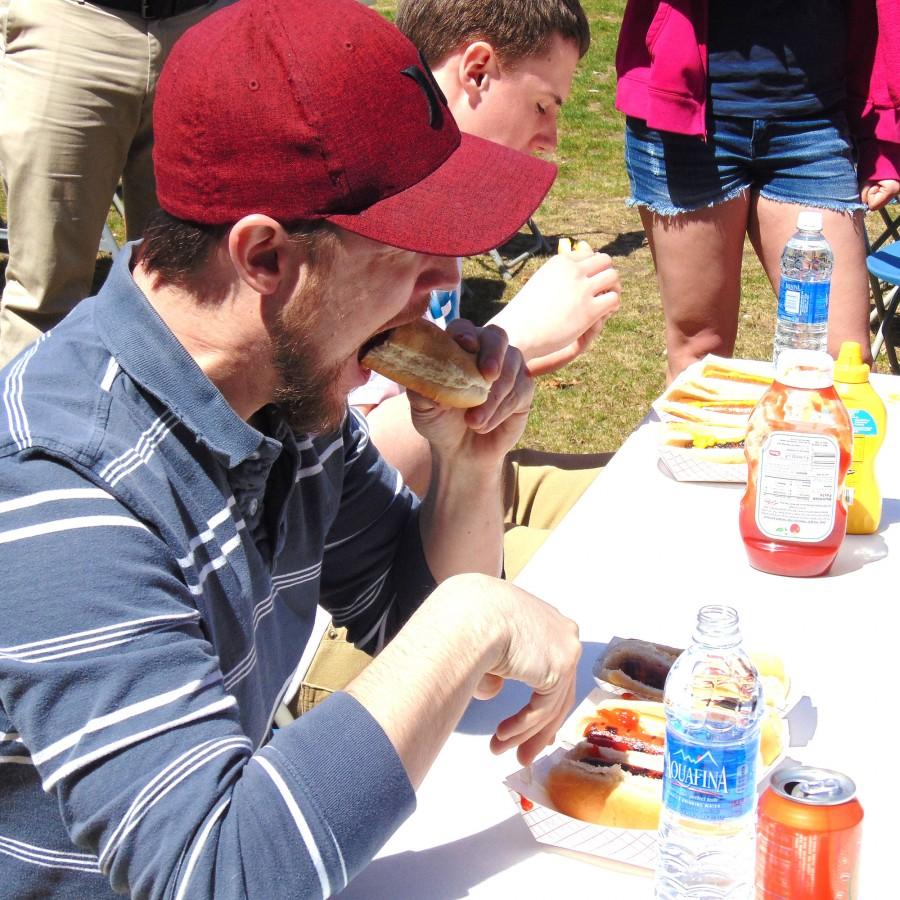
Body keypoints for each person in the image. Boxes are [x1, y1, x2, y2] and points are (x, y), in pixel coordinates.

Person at [0, 1, 584, 897]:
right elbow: (217, 873)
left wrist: (468, 465)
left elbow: (405, 622)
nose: (443, 285)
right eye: (412, 250)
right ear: (265, 257)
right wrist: (476, 615)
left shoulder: (281, 395)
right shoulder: (65, 481)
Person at [297, 0, 618, 713]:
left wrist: (469, 460)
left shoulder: (305, 417)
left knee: (631, 519)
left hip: (415, 514)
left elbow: (412, 608)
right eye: (544, 103)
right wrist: (522, 338)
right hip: (321, 638)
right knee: (597, 584)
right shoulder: (117, 466)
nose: (448, 279)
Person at [615, 0, 900, 383]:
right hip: (686, 122)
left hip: (814, 122)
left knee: (841, 361)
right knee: (701, 357)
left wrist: (881, 137)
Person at [0, 0, 232, 367]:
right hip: (73, 24)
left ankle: (168, 423)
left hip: (203, 24)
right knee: (44, 299)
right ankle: (31, 422)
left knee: (190, 293)